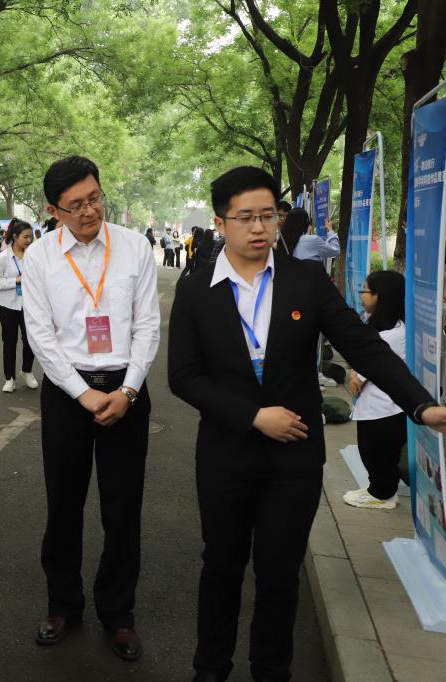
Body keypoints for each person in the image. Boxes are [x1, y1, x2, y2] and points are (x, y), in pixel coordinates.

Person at [167, 166, 446, 682]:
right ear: (220, 222)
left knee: (279, 572)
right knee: (222, 565)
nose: (258, 227)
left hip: (292, 457)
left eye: (267, 215)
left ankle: (271, 670)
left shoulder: (305, 280)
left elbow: (362, 346)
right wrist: (253, 416)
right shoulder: (197, 289)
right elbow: (183, 377)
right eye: (245, 217)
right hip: (226, 454)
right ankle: (211, 668)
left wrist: (421, 405)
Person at [23, 156, 160, 662]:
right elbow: (40, 334)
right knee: (64, 504)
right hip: (68, 395)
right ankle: (63, 604)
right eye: (76, 204)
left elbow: (147, 326)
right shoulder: (40, 256)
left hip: (126, 391)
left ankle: (118, 614)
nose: (89, 211)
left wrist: (127, 392)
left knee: (123, 509)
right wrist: (82, 393)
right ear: (54, 211)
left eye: (95, 198)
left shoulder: (134, 246)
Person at [345, 270, 409, 510]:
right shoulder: (385, 328)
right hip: (376, 407)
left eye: (366, 290)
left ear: (381, 297)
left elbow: (366, 366)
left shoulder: (393, 335)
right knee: (372, 451)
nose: (361, 295)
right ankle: (380, 490)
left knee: (377, 453)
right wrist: (356, 373)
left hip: (385, 409)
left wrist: (356, 374)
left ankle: (382, 494)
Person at [0, 219, 38, 393]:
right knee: (9, 342)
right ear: (15, 236)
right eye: (25, 237)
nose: (29, 240)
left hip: (30, 306)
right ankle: (9, 378)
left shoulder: (34, 257)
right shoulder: (2, 258)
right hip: (8, 306)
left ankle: (27, 371)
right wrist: (16, 280)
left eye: (31, 237)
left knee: (30, 341)